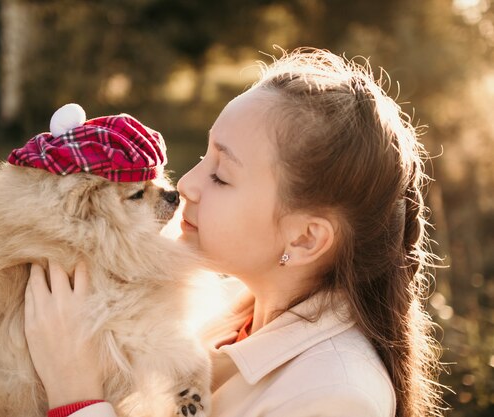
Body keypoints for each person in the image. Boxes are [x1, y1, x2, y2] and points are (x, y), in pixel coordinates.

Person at [23, 48, 444, 417]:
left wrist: (75, 393)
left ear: (304, 239)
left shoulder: (336, 397)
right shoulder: (221, 310)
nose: (185, 183)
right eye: (204, 156)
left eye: (221, 176)